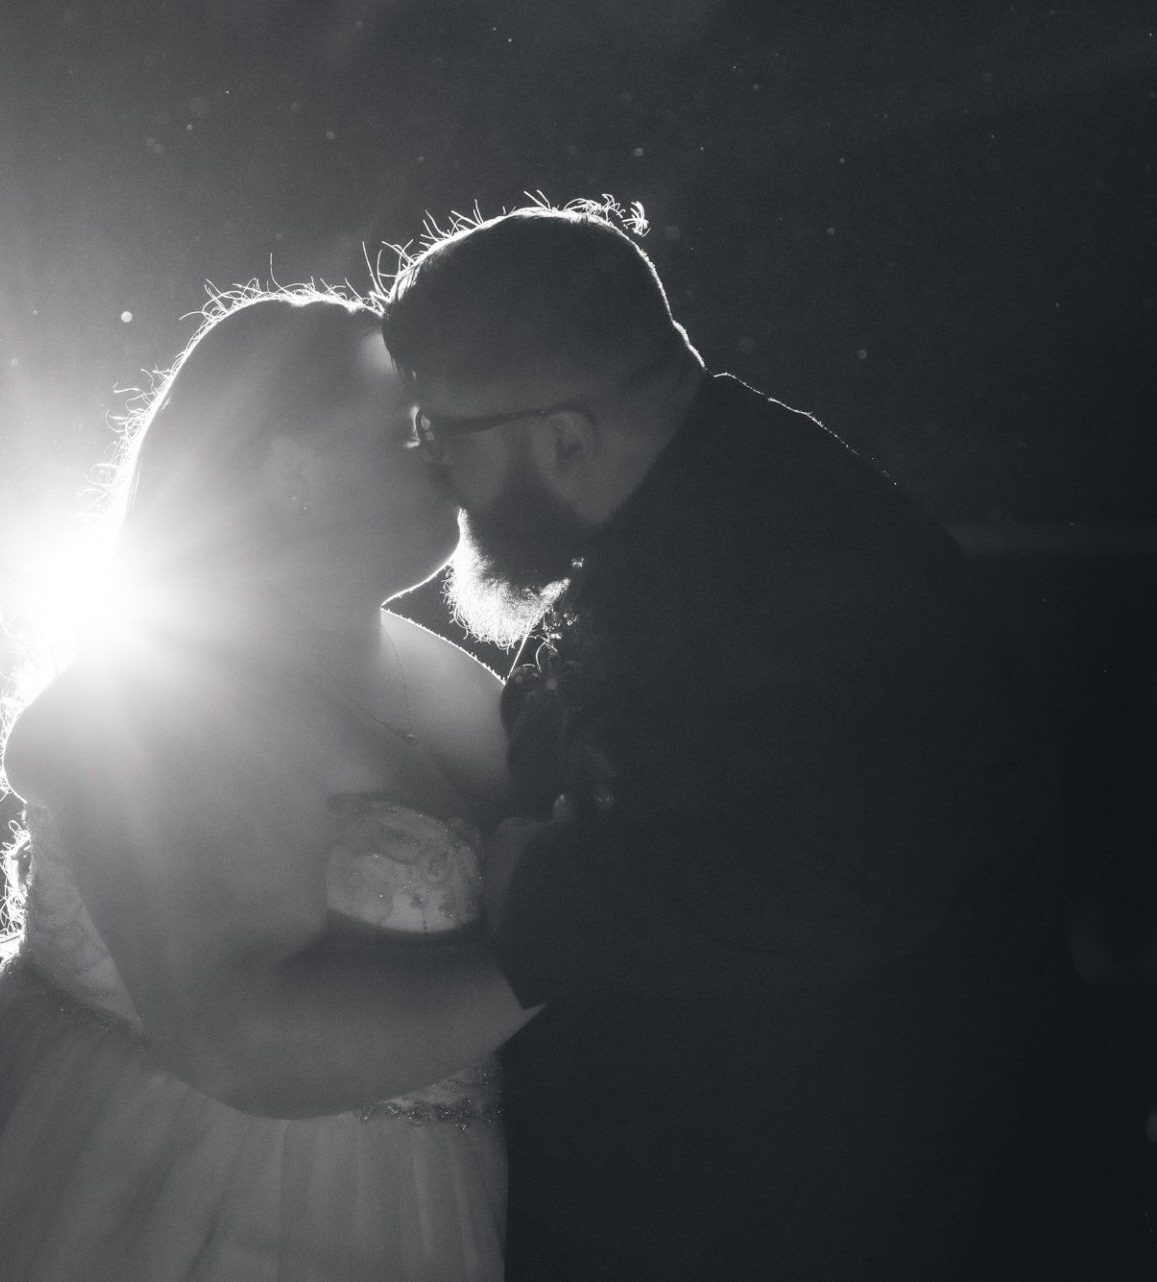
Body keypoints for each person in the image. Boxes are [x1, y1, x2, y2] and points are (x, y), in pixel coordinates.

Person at [380, 198, 1133, 1279]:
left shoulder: (823, 569)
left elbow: (837, 874)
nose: (433, 472)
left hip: (830, 1221)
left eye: (442, 434)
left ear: (565, 437)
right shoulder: (715, 506)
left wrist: (544, 888)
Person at [0, 289, 539, 1281]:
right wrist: (565, 939)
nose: (448, 452)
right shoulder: (165, 684)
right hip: (163, 1196)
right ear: (291, 467)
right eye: (410, 432)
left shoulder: (448, 677)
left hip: (419, 1203)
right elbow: (238, 1043)